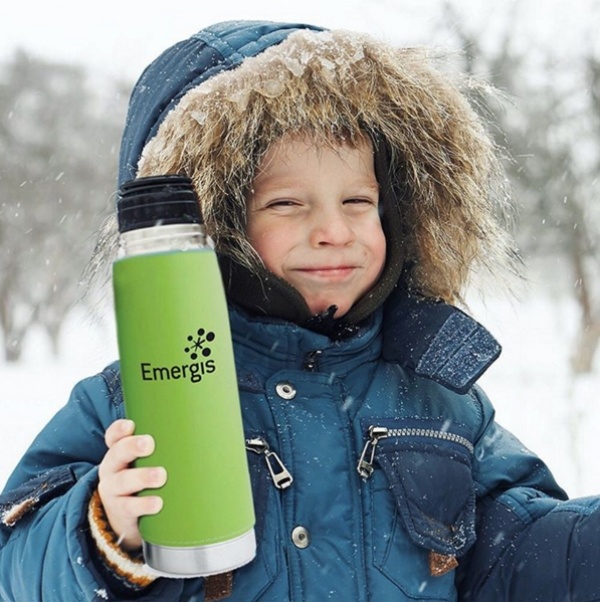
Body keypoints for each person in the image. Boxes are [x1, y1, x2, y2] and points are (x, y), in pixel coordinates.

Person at [1, 19, 599, 602]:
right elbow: (14, 560)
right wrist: (102, 529)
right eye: (287, 203)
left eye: (358, 200)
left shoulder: (437, 399)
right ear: (219, 222)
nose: (334, 230)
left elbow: (516, 550)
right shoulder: (132, 398)